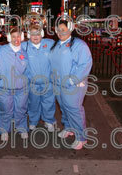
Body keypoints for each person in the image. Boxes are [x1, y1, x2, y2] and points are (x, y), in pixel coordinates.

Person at [49, 20, 93, 150]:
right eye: (58, 30)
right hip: (58, 84)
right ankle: (69, 128)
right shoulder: (56, 45)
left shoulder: (79, 45)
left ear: (71, 29)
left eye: (63, 29)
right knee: (64, 108)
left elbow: (85, 64)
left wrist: (72, 80)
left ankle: (81, 137)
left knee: (74, 110)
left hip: (73, 85)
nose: (60, 32)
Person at [0, 27, 29, 141]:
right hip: (3, 88)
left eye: (18, 36)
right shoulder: (1, 50)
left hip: (21, 88)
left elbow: (28, 70)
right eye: (14, 36)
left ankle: (21, 128)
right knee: (6, 110)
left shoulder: (25, 52)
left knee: (21, 109)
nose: (16, 39)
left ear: (21, 38)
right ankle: (4, 130)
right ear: (9, 38)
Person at [21, 24, 56, 132]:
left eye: (37, 34)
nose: (35, 36)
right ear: (28, 35)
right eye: (32, 34)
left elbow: (65, 46)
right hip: (32, 83)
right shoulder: (24, 46)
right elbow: (9, 48)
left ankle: (49, 121)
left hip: (48, 82)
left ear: (41, 34)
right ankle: (33, 122)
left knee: (49, 103)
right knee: (33, 104)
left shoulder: (50, 44)